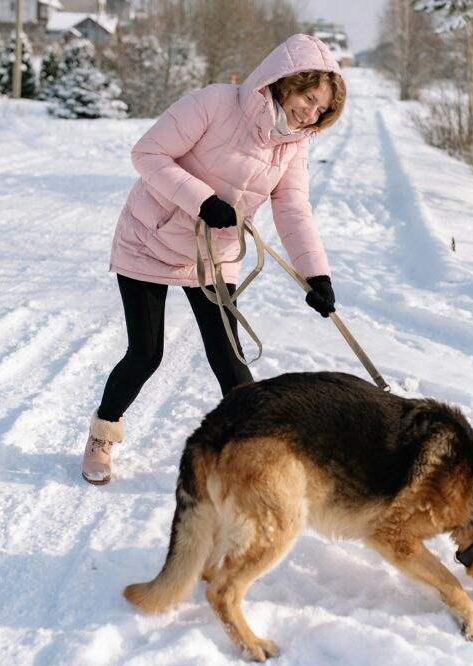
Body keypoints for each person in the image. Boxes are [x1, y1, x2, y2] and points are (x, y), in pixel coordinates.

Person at [82, 33, 347, 484]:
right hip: (150, 238)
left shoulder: (293, 145)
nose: (310, 112)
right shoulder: (215, 103)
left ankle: (255, 460)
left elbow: (292, 207)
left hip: (214, 255)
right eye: (307, 97)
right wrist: (202, 199)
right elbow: (147, 153)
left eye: (320, 109)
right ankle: (102, 436)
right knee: (146, 354)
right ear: (285, 81)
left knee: (229, 358)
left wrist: (315, 274)